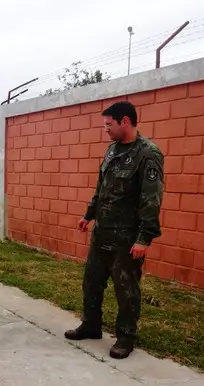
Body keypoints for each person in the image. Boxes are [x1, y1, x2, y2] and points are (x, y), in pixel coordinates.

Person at [64, 101, 164, 359]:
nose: (105, 130)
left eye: (109, 125)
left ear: (126, 122)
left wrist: (144, 238)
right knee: (92, 283)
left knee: (126, 290)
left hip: (126, 239)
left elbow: (151, 200)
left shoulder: (148, 154)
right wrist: (89, 215)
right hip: (103, 233)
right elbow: (102, 188)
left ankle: (126, 336)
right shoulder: (111, 151)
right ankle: (91, 325)